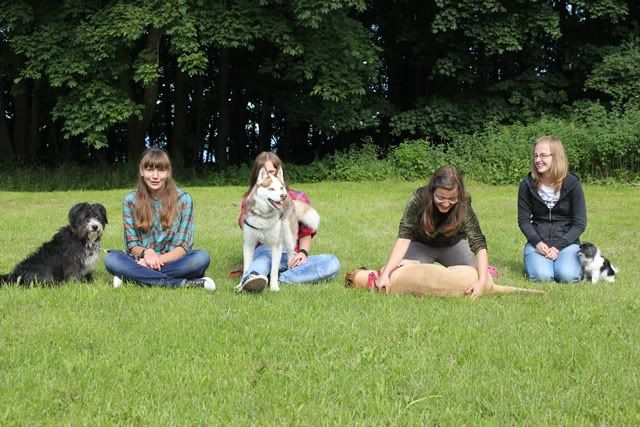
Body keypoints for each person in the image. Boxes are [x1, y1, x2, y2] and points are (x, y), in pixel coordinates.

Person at [104, 148, 215, 290]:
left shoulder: (184, 199)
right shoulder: (130, 200)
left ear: (168, 172)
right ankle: (182, 283)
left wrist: (155, 261)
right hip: (141, 259)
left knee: (201, 258)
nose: (155, 176)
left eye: (161, 170)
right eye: (150, 170)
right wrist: (147, 253)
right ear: (141, 171)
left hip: (173, 261)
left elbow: (184, 246)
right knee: (112, 259)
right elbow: (132, 244)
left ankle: (133, 277)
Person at [375, 165, 490, 298]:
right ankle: (414, 262)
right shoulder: (419, 198)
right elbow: (404, 237)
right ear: (432, 191)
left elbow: (478, 242)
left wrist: (482, 281)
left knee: (475, 274)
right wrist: (385, 274)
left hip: (454, 245)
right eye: (440, 198)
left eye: (452, 199)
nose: (446, 203)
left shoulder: (463, 200)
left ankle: (486, 270)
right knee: (400, 275)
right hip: (421, 245)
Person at [238, 152, 340, 290]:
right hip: (265, 252)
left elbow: (306, 232)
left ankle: (279, 277)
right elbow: (245, 228)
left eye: (272, 172)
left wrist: (303, 253)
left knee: (332, 262)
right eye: (265, 173)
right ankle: (253, 277)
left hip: (291, 255)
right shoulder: (251, 200)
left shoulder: (297, 196)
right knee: (261, 262)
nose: (269, 176)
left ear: (280, 174)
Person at [518, 136, 586, 282]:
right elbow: (523, 220)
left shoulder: (573, 184)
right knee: (542, 276)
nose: (538, 160)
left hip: (567, 243)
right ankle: (534, 261)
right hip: (538, 243)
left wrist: (558, 247)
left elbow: (579, 223)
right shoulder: (527, 184)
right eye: (535, 156)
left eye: (543, 155)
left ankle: (566, 264)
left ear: (556, 157)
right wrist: (537, 242)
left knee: (567, 276)